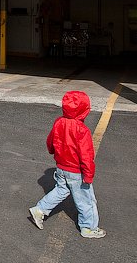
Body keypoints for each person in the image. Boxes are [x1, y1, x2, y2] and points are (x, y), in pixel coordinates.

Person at [29, 90, 106, 238]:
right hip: (76, 171)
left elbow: (51, 141)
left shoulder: (59, 122)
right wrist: (88, 175)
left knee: (61, 190)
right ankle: (88, 228)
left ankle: (40, 210)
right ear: (85, 110)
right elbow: (86, 155)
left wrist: (52, 150)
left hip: (61, 167)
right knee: (86, 200)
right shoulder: (82, 130)